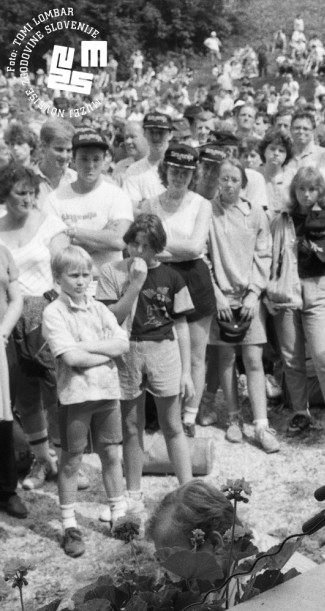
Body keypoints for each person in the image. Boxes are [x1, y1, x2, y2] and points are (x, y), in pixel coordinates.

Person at [97, 213, 195, 524]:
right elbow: (112, 317)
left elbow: (182, 325)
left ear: (158, 248)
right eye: (134, 245)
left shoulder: (173, 277)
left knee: (172, 424)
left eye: (147, 246)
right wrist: (135, 283)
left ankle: (189, 491)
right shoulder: (112, 272)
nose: (139, 252)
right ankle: (133, 495)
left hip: (164, 348)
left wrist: (187, 371)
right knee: (131, 426)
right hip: (128, 349)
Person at [42, 246, 130, 557]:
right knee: (72, 461)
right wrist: (101, 352)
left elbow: (122, 344)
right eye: (73, 275)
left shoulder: (100, 310)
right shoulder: (54, 313)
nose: (81, 281)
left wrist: (90, 346)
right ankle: (69, 524)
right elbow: (72, 357)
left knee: (111, 454)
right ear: (58, 278)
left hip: (107, 394)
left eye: (85, 274)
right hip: (76, 397)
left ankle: (119, 516)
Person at [267, 167, 325, 436]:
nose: (307, 195)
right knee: (292, 358)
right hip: (286, 288)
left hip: (317, 290)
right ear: (294, 191)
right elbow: (270, 255)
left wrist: (319, 249)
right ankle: (300, 412)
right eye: (302, 189)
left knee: (323, 355)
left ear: (321, 192)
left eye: (313, 189)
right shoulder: (281, 220)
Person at [0, 164, 71, 492]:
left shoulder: (49, 224)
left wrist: (56, 310)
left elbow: (65, 267)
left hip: (47, 313)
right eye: (20, 193)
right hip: (9, 318)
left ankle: (71, 462)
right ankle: (43, 460)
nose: (28, 199)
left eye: (32, 193)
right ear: (4, 195)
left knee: (58, 391)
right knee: (25, 399)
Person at [136, 145, 213, 437]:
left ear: (193, 175)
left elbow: (195, 247)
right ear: (165, 170)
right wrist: (168, 251)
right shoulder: (150, 205)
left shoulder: (201, 204)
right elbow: (142, 248)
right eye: (175, 170)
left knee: (195, 353)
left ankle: (190, 415)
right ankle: (162, 414)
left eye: (185, 172)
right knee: (160, 349)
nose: (179, 177)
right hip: (159, 279)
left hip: (194, 278)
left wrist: (161, 248)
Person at [206, 159, 277, 452]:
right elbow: (203, 256)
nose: (229, 184)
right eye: (224, 179)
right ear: (217, 181)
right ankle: (233, 417)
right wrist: (217, 295)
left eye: (235, 179)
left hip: (249, 298)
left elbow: (264, 254)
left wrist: (254, 293)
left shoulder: (255, 214)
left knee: (253, 360)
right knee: (225, 360)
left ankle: (261, 424)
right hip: (221, 298)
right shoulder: (207, 213)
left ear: (243, 184)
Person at [40, 130, 133, 297]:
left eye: (96, 159)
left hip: (109, 285)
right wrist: (103, 235)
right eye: (84, 159)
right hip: (68, 290)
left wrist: (73, 233)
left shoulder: (117, 196)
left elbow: (119, 241)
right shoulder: (54, 200)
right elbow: (57, 254)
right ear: (73, 160)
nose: (90, 165)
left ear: (105, 160)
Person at [0, 235, 24, 518]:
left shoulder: (3, 252)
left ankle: (7, 490)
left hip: (1, 343)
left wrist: (2, 331)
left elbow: (15, 298)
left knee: (3, 419)